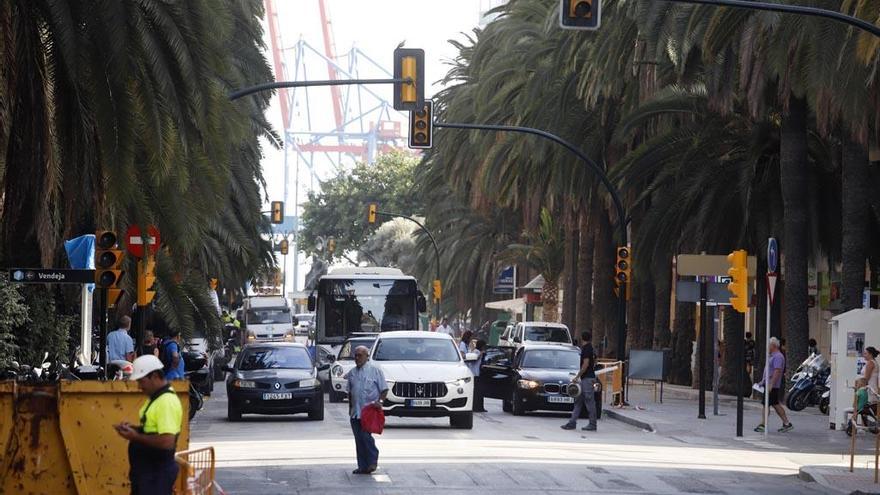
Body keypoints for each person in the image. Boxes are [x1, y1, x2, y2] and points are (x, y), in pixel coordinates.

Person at [114, 355, 183, 495]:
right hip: (149, 475)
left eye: (141, 381)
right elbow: (152, 431)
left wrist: (135, 437)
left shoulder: (166, 402)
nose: (140, 386)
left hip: (156, 475)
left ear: (155, 376)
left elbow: (167, 441)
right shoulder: (157, 399)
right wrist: (134, 430)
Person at [345, 345, 388, 474]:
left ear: (366, 356)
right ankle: (362, 466)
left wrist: (380, 402)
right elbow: (350, 392)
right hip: (355, 412)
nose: (357, 358)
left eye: (360, 355)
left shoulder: (375, 371)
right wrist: (350, 408)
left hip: (368, 411)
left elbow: (384, 389)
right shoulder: (352, 373)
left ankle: (372, 459)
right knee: (358, 439)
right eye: (355, 356)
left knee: (365, 436)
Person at [754, 337, 793, 433]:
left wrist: (771, 383)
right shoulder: (772, 356)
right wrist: (762, 382)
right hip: (768, 384)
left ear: (773, 346)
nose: (767, 347)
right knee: (774, 404)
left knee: (766, 404)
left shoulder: (778, 357)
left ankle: (764, 424)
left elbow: (777, 371)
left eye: (769, 345)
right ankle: (786, 423)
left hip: (772, 385)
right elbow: (768, 371)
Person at [561, 331, 598, 432]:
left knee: (589, 401)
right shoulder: (592, 349)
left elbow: (585, 364)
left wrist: (577, 376)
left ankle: (592, 424)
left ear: (582, 338)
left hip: (586, 379)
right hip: (588, 378)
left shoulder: (586, 349)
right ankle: (572, 422)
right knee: (578, 401)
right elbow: (595, 361)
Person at [469, 340, 487, 412]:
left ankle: (480, 407)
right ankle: (476, 407)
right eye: (483, 346)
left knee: (480, 391)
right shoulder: (476, 351)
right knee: (476, 391)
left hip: (478, 373)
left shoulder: (478, 352)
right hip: (475, 373)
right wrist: (481, 354)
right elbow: (474, 359)